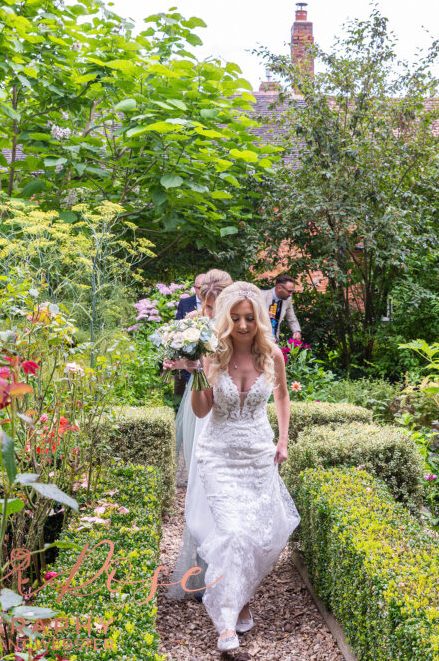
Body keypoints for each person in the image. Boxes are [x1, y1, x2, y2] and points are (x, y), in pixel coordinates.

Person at [167, 281, 300, 653]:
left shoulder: (272, 355)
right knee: (232, 533)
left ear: (258, 317)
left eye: (249, 318)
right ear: (226, 318)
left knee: (259, 536)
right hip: (218, 456)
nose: (243, 325)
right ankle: (225, 622)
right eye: (236, 318)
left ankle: (242, 598)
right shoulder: (212, 355)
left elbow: (282, 396)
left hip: (258, 456)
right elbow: (201, 411)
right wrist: (195, 372)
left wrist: (283, 441)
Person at [165, 270, 232, 489]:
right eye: (207, 305)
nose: (210, 312)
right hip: (201, 391)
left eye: (215, 307)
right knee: (199, 448)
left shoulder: (237, 327)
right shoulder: (196, 321)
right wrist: (178, 363)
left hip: (226, 394)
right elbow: (196, 361)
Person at [172, 273, 206, 397]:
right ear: (194, 287)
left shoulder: (216, 304)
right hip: (188, 354)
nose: (202, 291)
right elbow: (177, 327)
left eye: (205, 288)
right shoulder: (185, 302)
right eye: (199, 288)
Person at [261, 274, 301, 343]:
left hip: (274, 341)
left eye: (292, 292)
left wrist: (297, 331)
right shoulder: (261, 296)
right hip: (259, 341)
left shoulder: (287, 300)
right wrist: (263, 315)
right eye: (289, 291)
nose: (291, 294)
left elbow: (292, 318)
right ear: (279, 288)